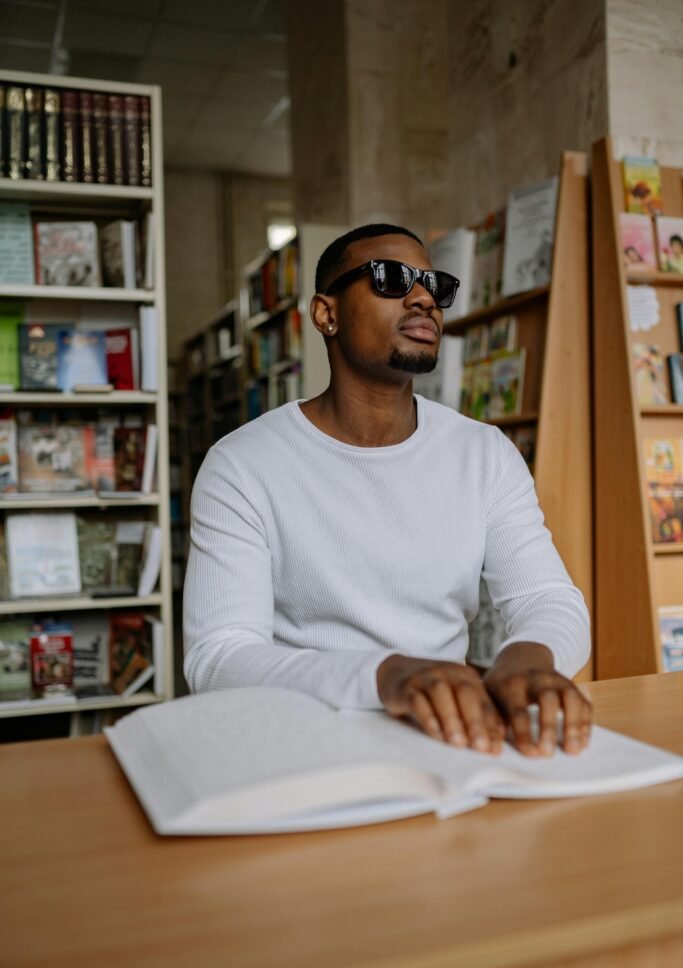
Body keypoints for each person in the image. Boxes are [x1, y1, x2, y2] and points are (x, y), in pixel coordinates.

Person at [184, 224, 592, 758]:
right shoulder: (242, 466)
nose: (423, 298)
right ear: (326, 314)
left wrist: (529, 657)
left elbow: (548, 599)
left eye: (434, 286)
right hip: (299, 747)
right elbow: (218, 659)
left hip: (448, 740)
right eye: (392, 279)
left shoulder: (484, 453)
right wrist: (386, 675)